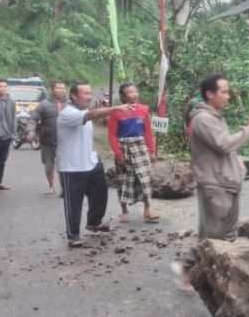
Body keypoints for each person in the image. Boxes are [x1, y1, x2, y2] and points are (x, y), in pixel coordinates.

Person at [171, 74, 249, 288]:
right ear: (210, 94)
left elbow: (224, 149)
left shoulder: (214, 117)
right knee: (212, 236)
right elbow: (224, 145)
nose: (228, 96)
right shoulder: (203, 119)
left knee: (228, 235)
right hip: (214, 184)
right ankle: (185, 266)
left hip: (227, 182)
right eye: (224, 92)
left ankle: (218, 277)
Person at [58, 82, 133, 248]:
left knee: (100, 193)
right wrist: (114, 109)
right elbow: (91, 116)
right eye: (85, 93)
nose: (89, 96)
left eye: (90, 93)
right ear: (74, 96)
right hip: (72, 167)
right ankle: (73, 235)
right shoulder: (67, 113)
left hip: (90, 162)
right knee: (74, 203)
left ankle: (94, 222)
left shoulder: (83, 111)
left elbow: (92, 117)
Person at [107, 83, 160, 224]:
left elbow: (148, 132)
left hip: (141, 146)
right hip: (124, 147)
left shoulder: (144, 110)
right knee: (124, 179)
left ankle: (148, 209)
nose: (134, 94)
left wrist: (152, 151)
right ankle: (124, 211)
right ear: (123, 96)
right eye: (130, 92)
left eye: (135, 91)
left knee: (145, 178)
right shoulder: (116, 112)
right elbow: (112, 135)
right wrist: (118, 154)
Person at [31, 81, 67, 195]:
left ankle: (64, 188)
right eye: (58, 88)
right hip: (47, 140)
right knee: (49, 166)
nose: (61, 90)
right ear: (52, 90)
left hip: (65, 141)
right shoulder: (44, 104)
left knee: (64, 165)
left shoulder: (70, 104)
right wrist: (31, 131)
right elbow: (33, 119)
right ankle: (51, 185)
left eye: (63, 88)